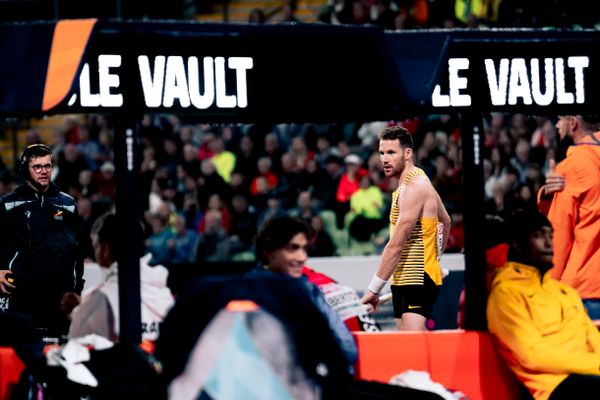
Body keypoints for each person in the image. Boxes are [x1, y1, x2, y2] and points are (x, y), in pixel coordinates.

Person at [487, 208, 600, 400]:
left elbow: (594, 339)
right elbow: (532, 355)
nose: (548, 243)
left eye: (550, 235)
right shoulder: (506, 293)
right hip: (552, 388)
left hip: (588, 377)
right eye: (538, 236)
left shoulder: (565, 292)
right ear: (517, 244)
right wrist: (594, 365)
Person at [361, 125, 451, 331]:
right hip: (402, 279)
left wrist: (374, 289)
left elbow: (396, 244)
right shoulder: (410, 184)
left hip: (418, 279)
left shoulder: (416, 187)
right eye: (382, 153)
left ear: (408, 153)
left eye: (391, 152)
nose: (384, 159)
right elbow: (444, 221)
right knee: (407, 351)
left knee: (414, 352)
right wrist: (435, 259)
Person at [250, 216, 358, 371]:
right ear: (269, 251)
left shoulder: (311, 290)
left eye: (305, 249)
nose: (302, 257)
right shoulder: (247, 292)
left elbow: (348, 350)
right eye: (292, 248)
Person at [0, 144, 84, 338]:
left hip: (60, 294)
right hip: (22, 293)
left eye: (47, 166)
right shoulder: (7, 204)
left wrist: (77, 288)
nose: (44, 171)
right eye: (37, 167)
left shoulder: (68, 203)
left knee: (59, 352)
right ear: (25, 170)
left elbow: (78, 250)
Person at [68, 212, 175, 343]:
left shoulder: (101, 297)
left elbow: (75, 343)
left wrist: (79, 311)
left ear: (105, 250)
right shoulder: (164, 293)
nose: (95, 252)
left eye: (96, 246)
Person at [537, 115, 600, 319]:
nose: (556, 125)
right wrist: (546, 193)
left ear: (573, 123)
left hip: (585, 291)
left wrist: (550, 287)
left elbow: (559, 237)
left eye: (560, 119)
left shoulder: (571, 167)